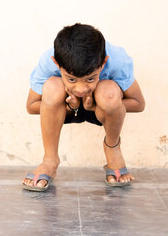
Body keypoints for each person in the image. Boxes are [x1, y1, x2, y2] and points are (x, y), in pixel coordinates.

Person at [22, 23, 145, 191]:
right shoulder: (48, 60)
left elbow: (138, 104)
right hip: (66, 110)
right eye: (71, 79)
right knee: (52, 87)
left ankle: (112, 148)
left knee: (108, 91)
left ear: (104, 63)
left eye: (90, 79)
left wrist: (95, 106)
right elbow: (31, 106)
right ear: (56, 64)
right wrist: (72, 107)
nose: (81, 89)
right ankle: (49, 160)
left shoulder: (117, 59)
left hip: (101, 110)